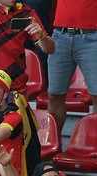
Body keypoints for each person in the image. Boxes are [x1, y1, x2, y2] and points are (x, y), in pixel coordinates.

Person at [47, 1, 97, 134]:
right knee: (54, 95)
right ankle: (54, 145)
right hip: (60, 34)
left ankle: (93, 146)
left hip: (92, 35)